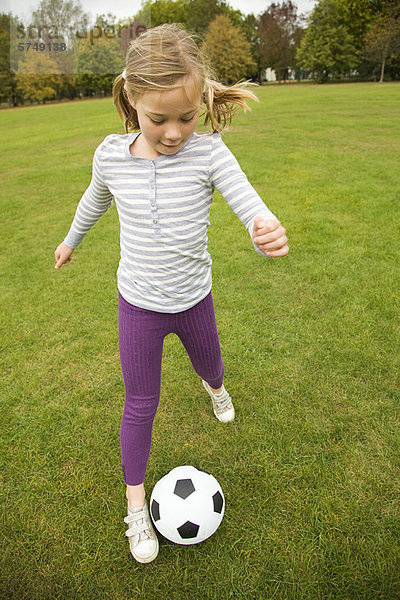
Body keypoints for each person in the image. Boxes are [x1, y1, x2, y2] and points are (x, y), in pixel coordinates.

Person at [54, 23, 289, 564]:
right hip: (137, 304)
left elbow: (248, 205)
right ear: (132, 98)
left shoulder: (210, 155)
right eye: (160, 119)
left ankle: (216, 388)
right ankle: (137, 508)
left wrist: (264, 231)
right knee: (140, 402)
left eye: (188, 117)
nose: (177, 132)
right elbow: (94, 202)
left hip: (194, 299)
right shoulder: (110, 156)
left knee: (212, 365)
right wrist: (71, 240)